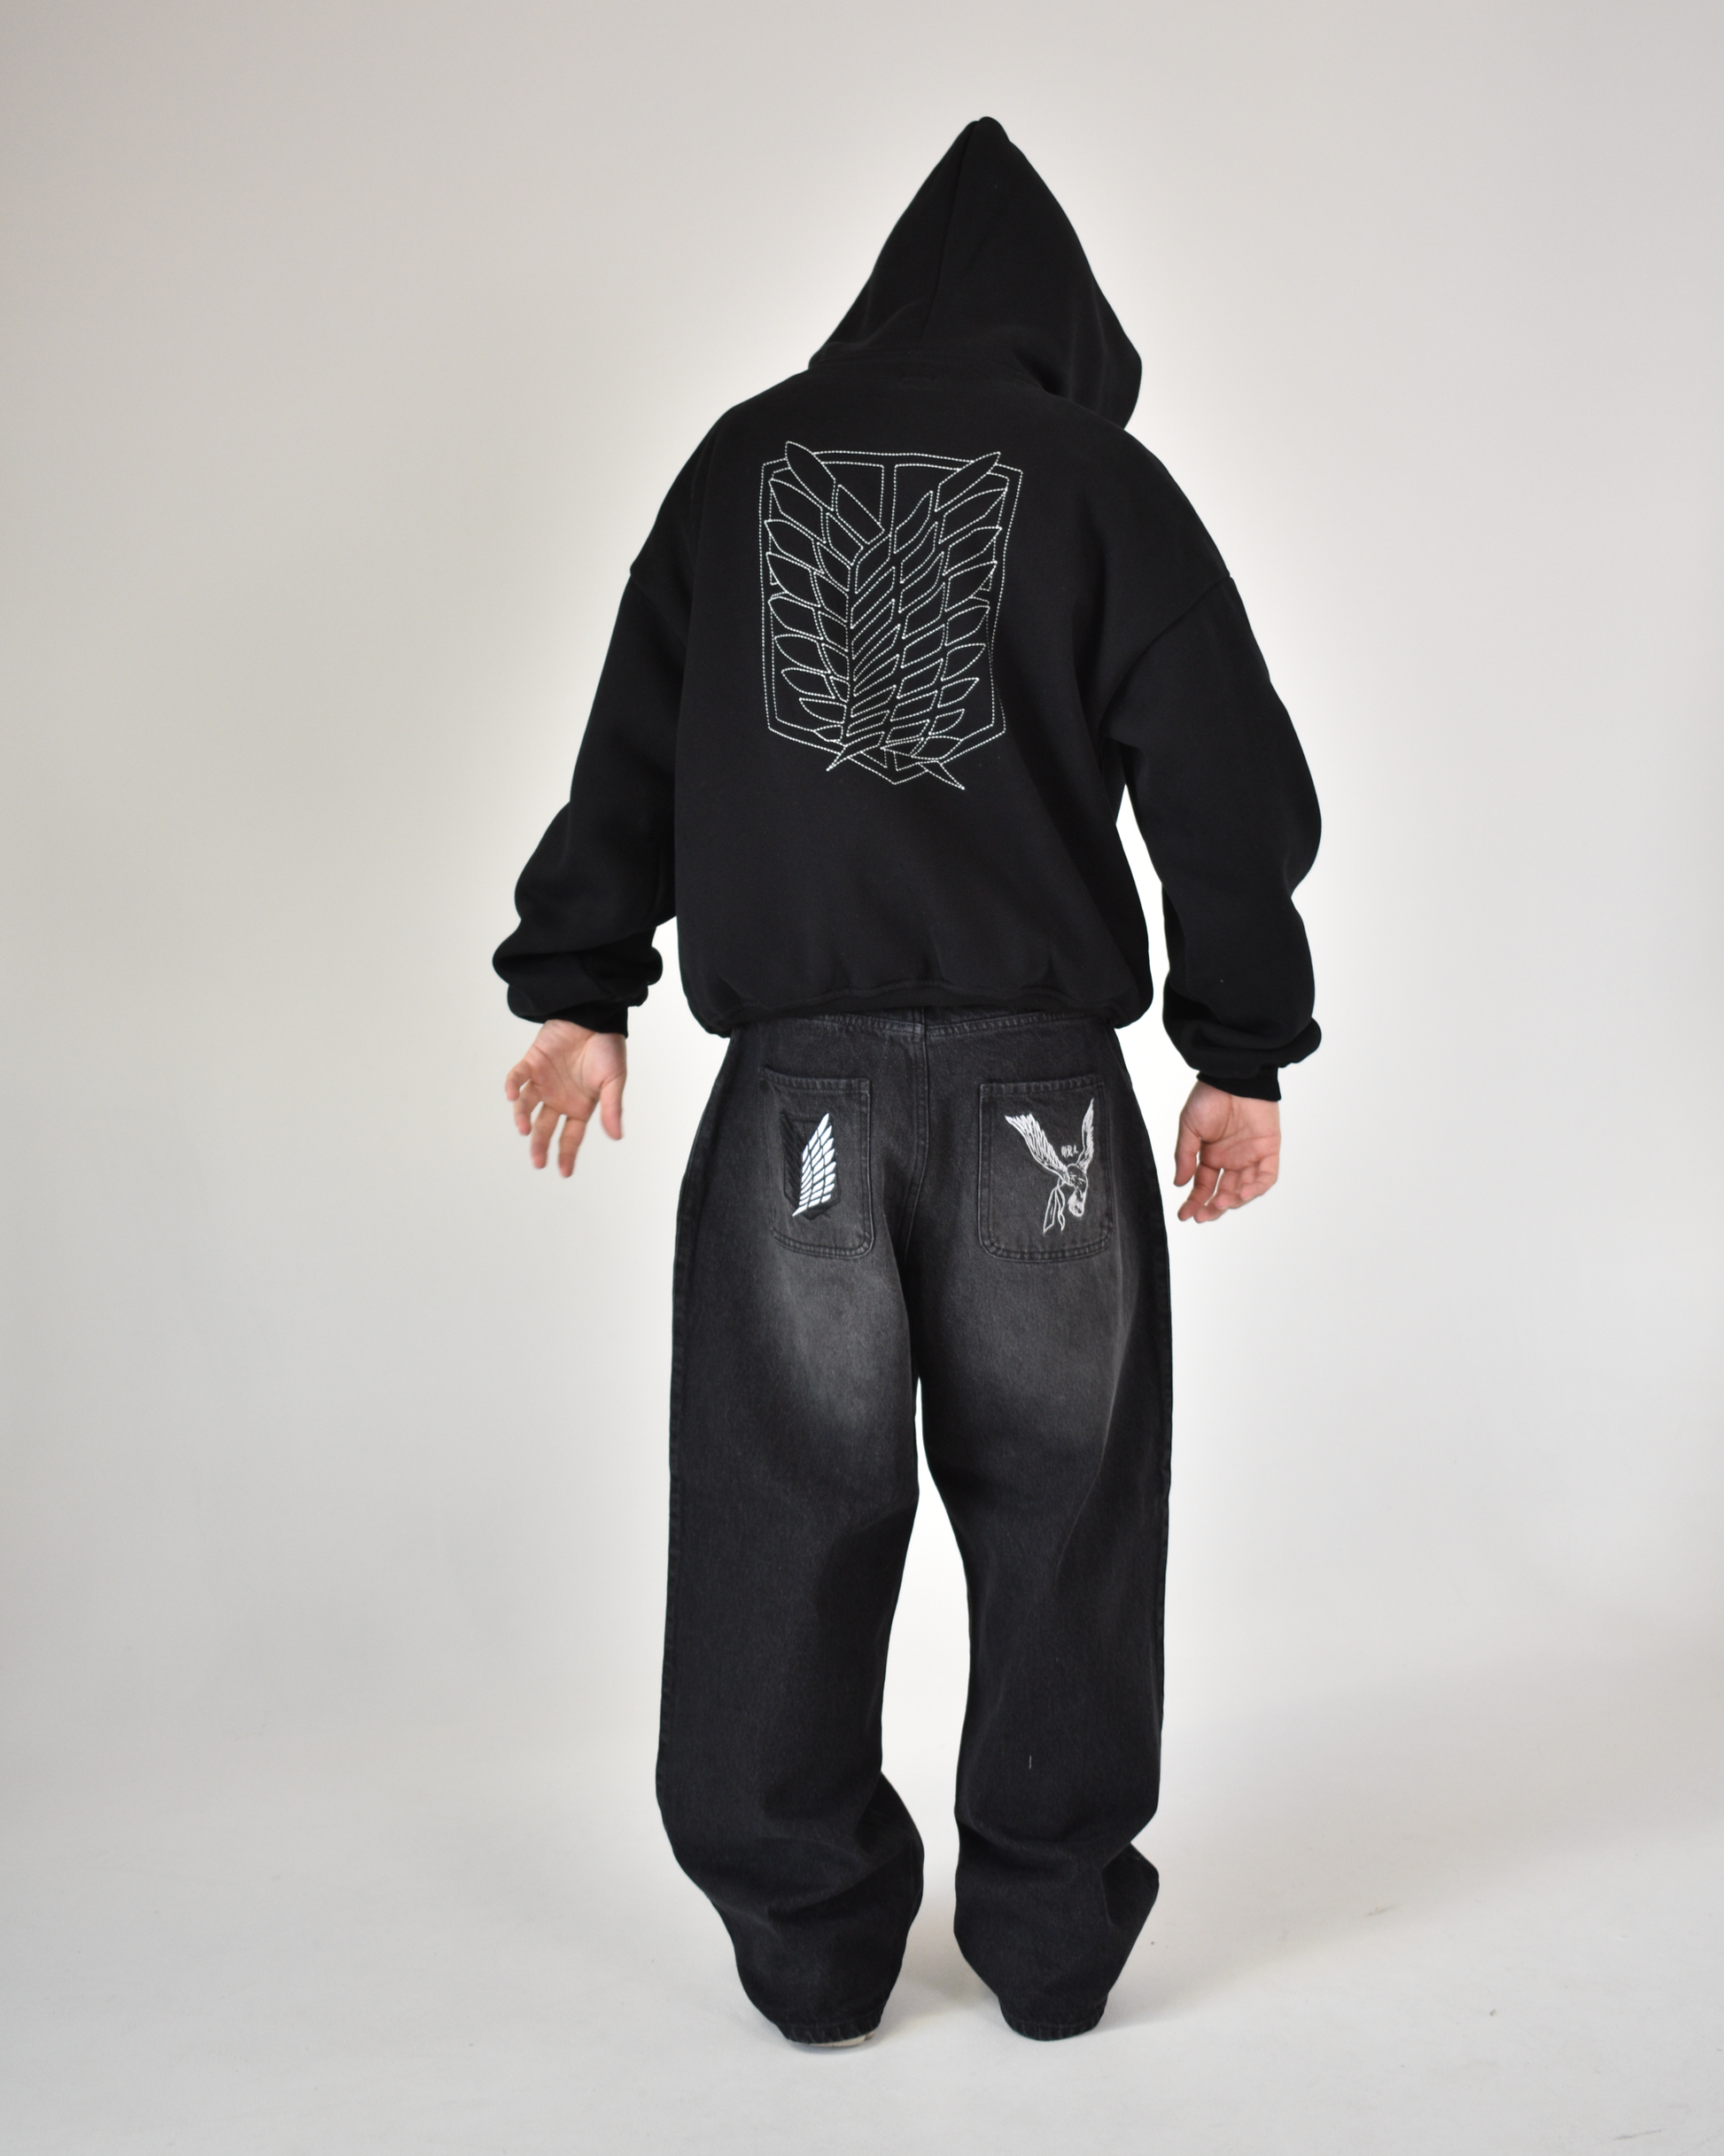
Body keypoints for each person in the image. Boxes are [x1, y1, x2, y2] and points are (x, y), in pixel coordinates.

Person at [494, 117, 1319, 2047]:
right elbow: (1228, 784)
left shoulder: (739, 463)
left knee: (780, 1506)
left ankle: (806, 1951)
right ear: (1066, 331)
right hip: (1046, 1107)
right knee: (1065, 1515)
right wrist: (1239, 1051)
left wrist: (580, 988)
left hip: (802, 1096)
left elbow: (633, 744)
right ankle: (1048, 1944)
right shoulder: (1103, 485)